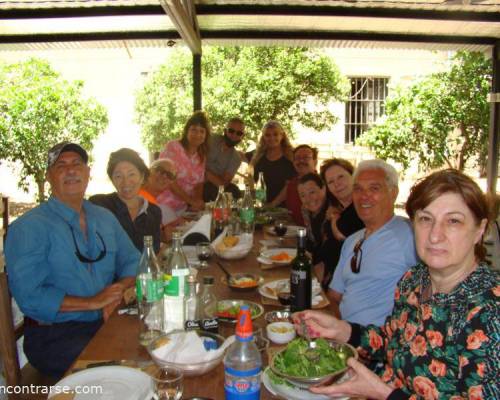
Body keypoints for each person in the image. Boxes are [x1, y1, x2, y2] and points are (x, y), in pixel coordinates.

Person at [295, 169, 499, 399]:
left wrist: (385, 394)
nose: (434, 235)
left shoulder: (490, 311)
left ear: (479, 230)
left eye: (453, 221)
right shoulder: (414, 280)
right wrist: (342, 330)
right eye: (425, 219)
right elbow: (392, 341)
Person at [5, 142, 139, 378]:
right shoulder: (28, 228)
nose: (71, 170)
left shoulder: (104, 217)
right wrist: (93, 302)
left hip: (107, 321)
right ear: (49, 177)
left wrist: (117, 291)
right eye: (61, 166)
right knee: (127, 367)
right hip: (55, 335)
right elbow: (30, 296)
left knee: (161, 342)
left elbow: (134, 261)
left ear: (87, 174)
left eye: (77, 164)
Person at [328, 159, 418, 326]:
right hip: (345, 338)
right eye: (358, 189)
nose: (364, 196)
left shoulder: (409, 234)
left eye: (374, 188)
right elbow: (334, 295)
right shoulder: (352, 241)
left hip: (378, 345)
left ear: (393, 193)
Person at [90, 148, 162, 253]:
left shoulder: (154, 211)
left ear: (142, 176)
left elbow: (153, 252)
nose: (126, 182)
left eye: (131, 174)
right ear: (112, 180)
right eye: (118, 176)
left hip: (142, 269)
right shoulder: (100, 205)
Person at [319, 158, 364, 288]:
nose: (337, 184)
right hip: (331, 282)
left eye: (341, 177)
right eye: (331, 182)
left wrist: (333, 218)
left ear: (353, 177)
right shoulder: (337, 208)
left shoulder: (362, 208)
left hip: (349, 287)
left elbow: (341, 234)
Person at [157, 110, 209, 215]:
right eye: (193, 130)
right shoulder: (173, 147)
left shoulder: (201, 157)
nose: (198, 134)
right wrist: (191, 201)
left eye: (202, 131)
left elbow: (199, 184)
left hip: (183, 208)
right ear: (186, 132)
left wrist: (197, 202)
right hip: (162, 204)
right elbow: (168, 180)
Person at [270, 144, 318, 225]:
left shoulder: (322, 184)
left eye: (306, 157)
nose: (301, 161)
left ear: (315, 161)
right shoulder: (293, 183)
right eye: (297, 158)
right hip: (293, 231)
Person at [139, 158, 185, 242]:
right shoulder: (138, 198)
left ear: (170, 184)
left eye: (169, 175)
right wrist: (163, 236)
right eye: (159, 170)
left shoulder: (152, 202)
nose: (164, 176)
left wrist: (164, 229)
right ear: (149, 171)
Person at [251, 120, 295, 206]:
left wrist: (273, 204)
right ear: (263, 137)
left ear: (282, 136)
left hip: (284, 208)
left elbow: (289, 186)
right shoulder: (258, 156)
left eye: (275, 134)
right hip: (262, 206)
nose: (272, 138)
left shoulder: (291, 156)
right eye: (267, 135)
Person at [203, 117, 245, 202]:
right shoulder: (210, 139)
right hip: (194, 177)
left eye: (239, 133)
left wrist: (205, 172)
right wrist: (213, 176)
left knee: (233, 191)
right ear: (225, 131)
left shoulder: (236, 158)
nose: (234, 135)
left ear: (242, 136)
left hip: (210, 186)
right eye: (231, 131)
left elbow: (222, 184)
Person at [297, 173, 331, 271]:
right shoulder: (306, 210)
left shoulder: (332, 213)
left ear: (324, 189)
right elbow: (312, 241)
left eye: (312, 192)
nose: (308, 199)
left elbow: (326, 252)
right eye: (303, 195)